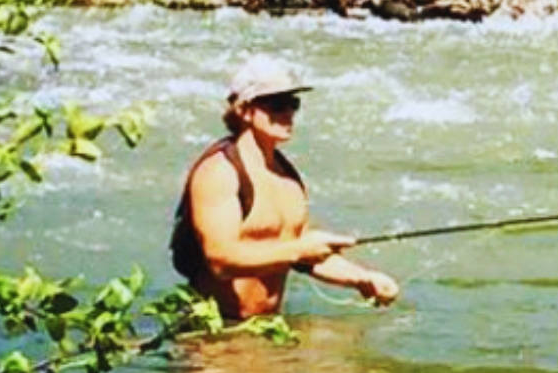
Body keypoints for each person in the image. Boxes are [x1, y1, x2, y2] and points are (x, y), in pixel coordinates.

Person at [171, 56, 400, 320]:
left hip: (267, 332)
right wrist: (299, 250)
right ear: (244, 110)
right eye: (277, 105)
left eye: (293, 104)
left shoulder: (287, 177)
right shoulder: (219, 172)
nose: (288, 113)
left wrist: (363, 279)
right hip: (215, 335)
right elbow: (220, 259)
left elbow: (305, 256)